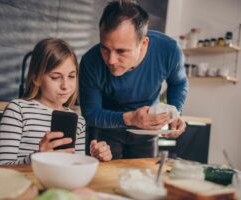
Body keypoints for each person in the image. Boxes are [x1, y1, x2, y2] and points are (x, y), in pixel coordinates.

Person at [79, 1, 188, 159]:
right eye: (104, 48)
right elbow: (91, 113)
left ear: (143, 44)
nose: (111, 60)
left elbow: (179, 83)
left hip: (146, 129)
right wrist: (129, 118)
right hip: (106, 126)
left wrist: (175, 112)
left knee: (142, 179)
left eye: (121, 51)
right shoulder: (90, 61)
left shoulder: (169, 50)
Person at [0, 38, 112, 165]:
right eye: (56, 77)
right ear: (36, 78)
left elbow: (73, 170)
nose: (65, 86)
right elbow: (2, 167)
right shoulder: (18, 111)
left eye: (71, 76)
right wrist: (39, 156)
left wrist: (92, 159)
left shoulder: (78, 121)